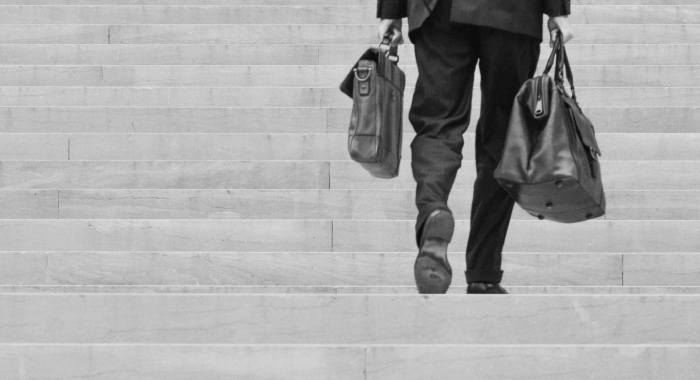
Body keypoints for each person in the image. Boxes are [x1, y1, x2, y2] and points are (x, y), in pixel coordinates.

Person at [376, 0, 574, 294]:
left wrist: (390, 11)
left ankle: (433, 211)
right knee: (505, 136)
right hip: (513, 13)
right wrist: (558, 10)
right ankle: (483, 272)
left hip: (437, 11)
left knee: (437, 124)